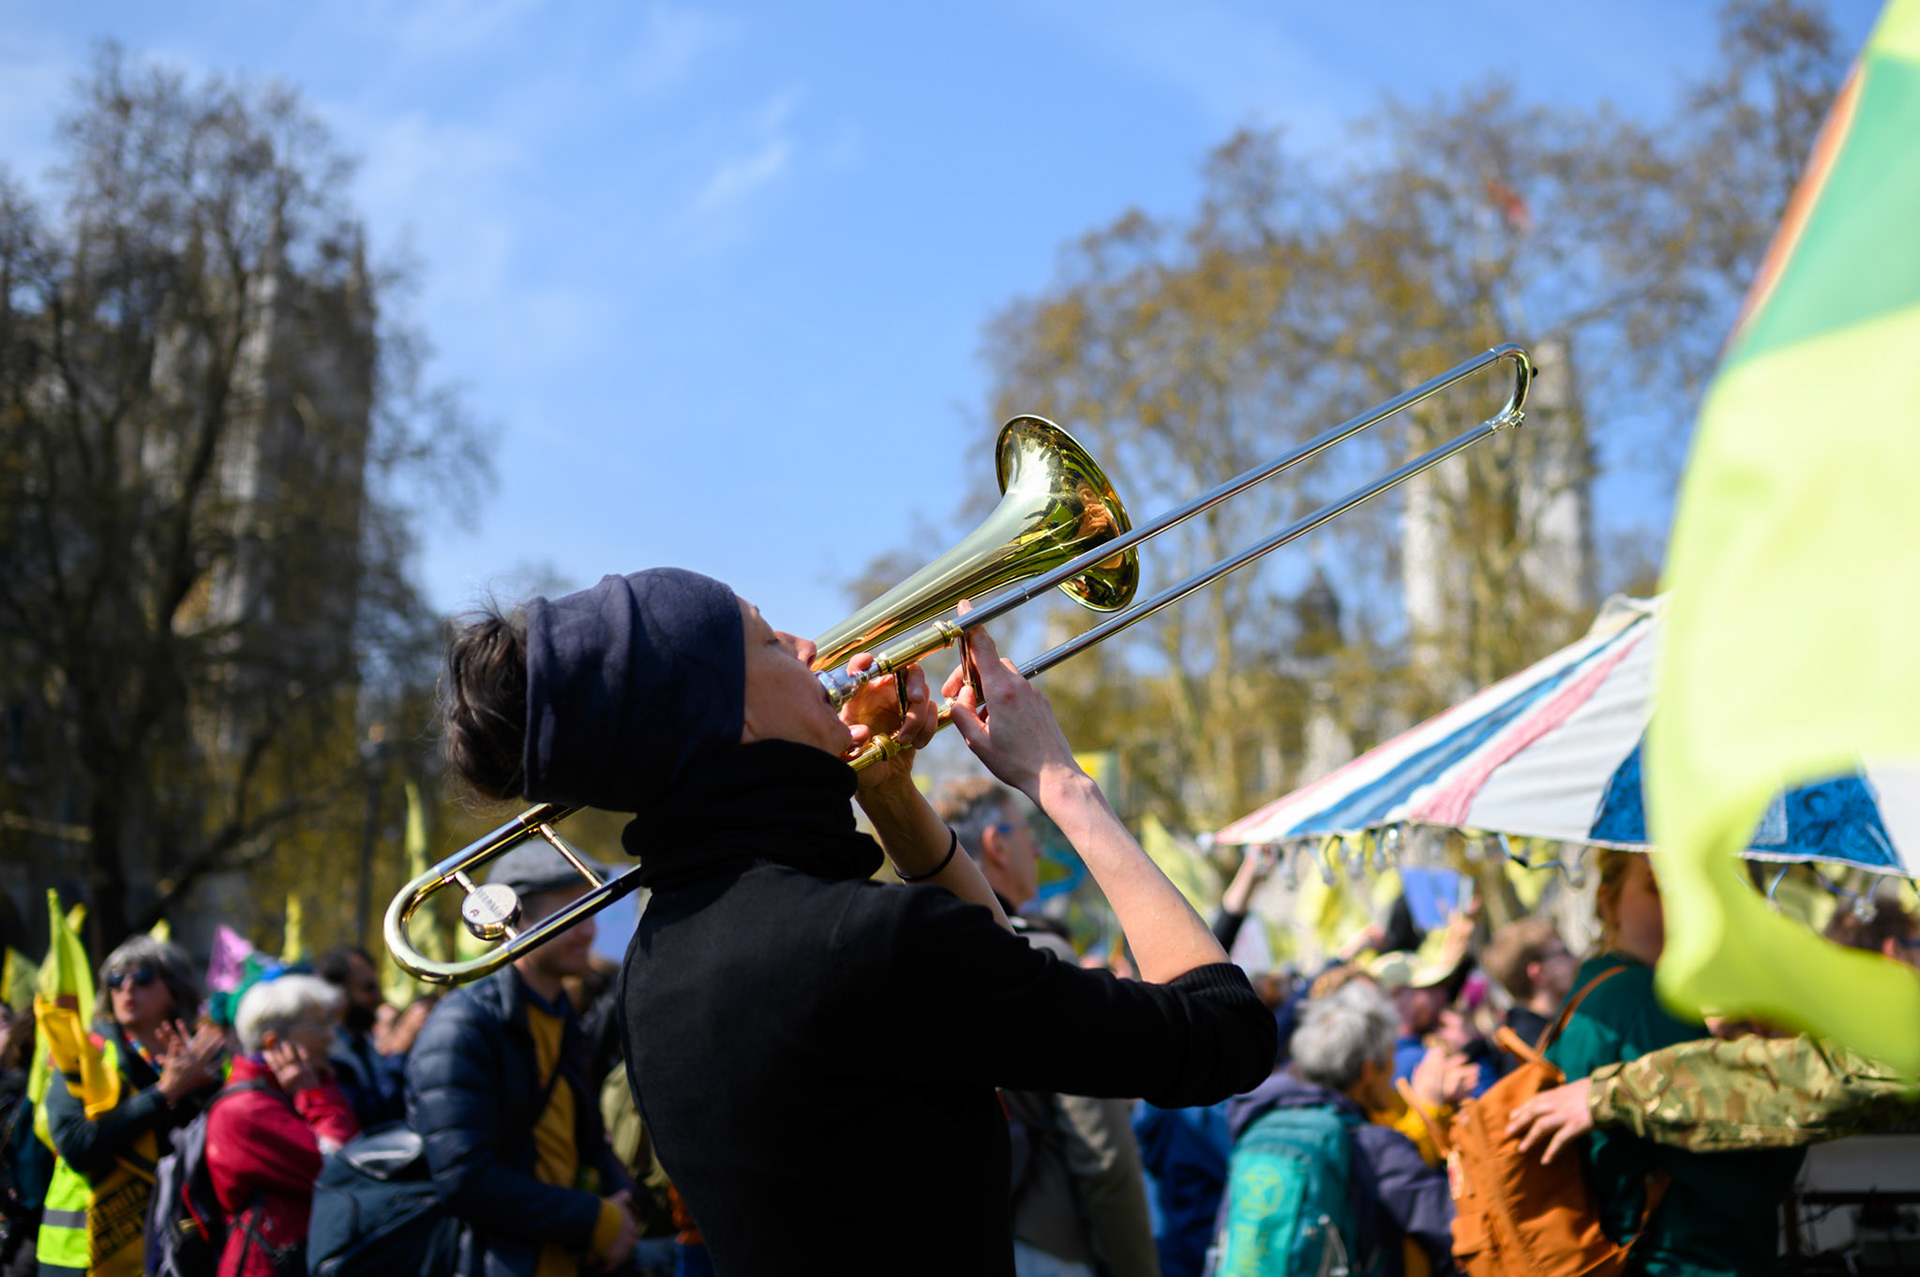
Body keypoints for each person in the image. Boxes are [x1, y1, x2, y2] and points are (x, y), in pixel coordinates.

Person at [439, 570, 1277, 1275]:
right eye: (769, 641)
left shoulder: (656, 963)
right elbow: (1222, 1033)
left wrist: (890, 798)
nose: (811, 648)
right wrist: (1061, 783)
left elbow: (984, 970)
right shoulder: (859, 940)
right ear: (728, 720)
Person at [1540, 849, 1805, 1277]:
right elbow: (1746, 1185)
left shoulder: (1591, 991)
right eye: (1659, 887)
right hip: (1685, 1262)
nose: (1685, 906)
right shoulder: (1647, 999)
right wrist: (1780, 1056)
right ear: (1608, 902)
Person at [938, 777, 1160, 1277]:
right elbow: (1103, 1150)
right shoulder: (1037, 959)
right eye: (1025, 832)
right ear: (996, 845)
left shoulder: (917, 954)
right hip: (1046, 1244)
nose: (1037, 849)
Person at [406, 843, 637, 1277]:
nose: (588, 931)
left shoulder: (561, 1015)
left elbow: (581, 1143)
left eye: (588, 913)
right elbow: (465, 1180)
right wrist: (594, 1220)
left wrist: (621, 1200)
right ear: (511, 919)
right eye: (570, 915)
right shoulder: (463, 1024)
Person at [1221, 982, 1454, 1277]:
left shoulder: (1257, 1126)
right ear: (1368, 1071)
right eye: (1391, 1056)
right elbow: (1455, 1232)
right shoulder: (1377, 1148)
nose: (1394, 1068)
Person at [38, 936, 225, 1277]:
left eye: (141, 978)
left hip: (173, 1247)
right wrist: (164, 1093)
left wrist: (204, 1090)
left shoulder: (204, 1061)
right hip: (82, 1256)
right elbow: (76, 1145)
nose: (126, 988)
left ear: (174, 987)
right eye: (115, 979)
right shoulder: (86, 1051)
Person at [206, 975, 360, 1276]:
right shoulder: (245, 1111)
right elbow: (342, 1166)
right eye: (319, 1027)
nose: (331, 1037)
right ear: (274, 1043)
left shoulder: (278, 1092)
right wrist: (314, 1093)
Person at [314, 946, 404, 1130]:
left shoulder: (362, 1040)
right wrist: (398, 1053)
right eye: (368, 988)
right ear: (339, 995)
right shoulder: (328, 1054)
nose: (378, 997)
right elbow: (372, 1118)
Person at [1481, 917, 1578, 1051]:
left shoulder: (1513, 1037)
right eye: (1564, 952)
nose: (1575, 960)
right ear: (1539, 973)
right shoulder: (1543, 1045)